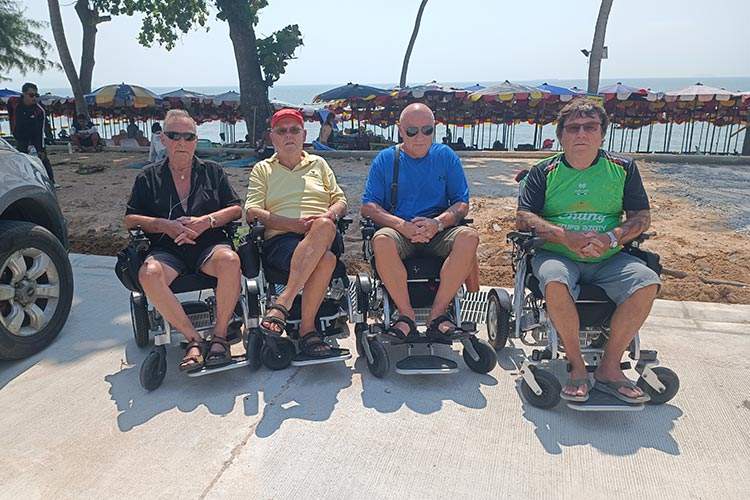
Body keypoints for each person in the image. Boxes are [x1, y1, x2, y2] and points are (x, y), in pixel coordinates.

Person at [516, 97, 660, 403]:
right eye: (574, 128)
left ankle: (609, 367)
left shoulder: (622, 168)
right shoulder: (544, 171)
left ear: (602, 133)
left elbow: (641, 217)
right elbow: (524, 217)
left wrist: (612, 237)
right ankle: (577, 366)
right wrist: (564, 236)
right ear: (562, 135)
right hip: (558, 252)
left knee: (647, 281)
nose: (581, 134)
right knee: (554, 281)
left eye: (590, 127)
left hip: (609, 254)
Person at [124, 109, 243, 371]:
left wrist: (205, 222)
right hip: (167, 248)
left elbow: (235, 209)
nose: (181, 142)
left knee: (231, 261)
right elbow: (130, 219)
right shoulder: (148, 177)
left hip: (208, 243)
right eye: (174, 135)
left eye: (188, 137)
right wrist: (162, 225)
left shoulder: (212, 171)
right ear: (163, 139)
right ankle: (194, 340)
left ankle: (220, 337)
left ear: (195, 141)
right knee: (149, 274)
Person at [361, 103, 480, 340]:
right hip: (399, 230)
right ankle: (406, 316)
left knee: (469, 236)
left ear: (434, 129)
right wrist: (401, 226)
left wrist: (437, 223)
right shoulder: (386, 160)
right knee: (381, 239)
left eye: (427, 130)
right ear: (400, 130)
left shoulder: (445, 156)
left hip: (437, 230)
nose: (420, 137)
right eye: (412, 131)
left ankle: (438, 315)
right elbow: (369, 206)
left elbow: (461, 203)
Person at [245, 108, 349, 360]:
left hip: (323, 232)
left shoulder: (319, 163)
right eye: (282, 131)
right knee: (326, 260)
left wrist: (329, 215)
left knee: (323, 226)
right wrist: (293, 225)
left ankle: (282, 303)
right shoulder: (263, 169)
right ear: (272, 137)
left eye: (294, 130)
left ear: (304, 135)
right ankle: (307, 330)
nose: (288, 135)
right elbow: (251, 211)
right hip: (282, 238)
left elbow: (341, 200)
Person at [8, 82, 55, 183]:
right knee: (21, 159)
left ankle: (51, 181)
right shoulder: (14, 104)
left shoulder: (39, 111)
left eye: (36, 95)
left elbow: (40, 131)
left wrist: (40, 147)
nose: (34, 98)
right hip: (20, 137)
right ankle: (24, 180)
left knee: (42, 157)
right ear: (24, 94)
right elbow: (12, 118)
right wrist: (14, 132)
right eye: (31, 95)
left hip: (35, 136)